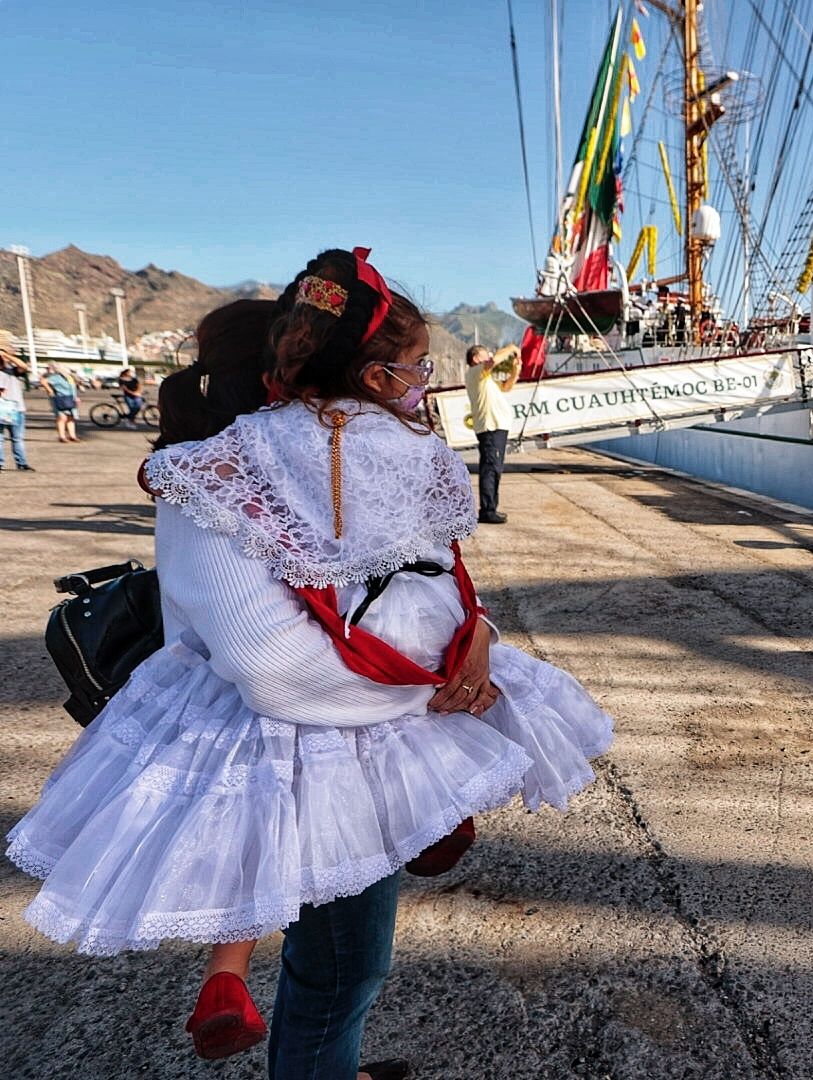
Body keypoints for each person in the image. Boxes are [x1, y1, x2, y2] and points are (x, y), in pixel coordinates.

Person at [6, 249, 614, 1078]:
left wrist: (479, 633)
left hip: (333, 723)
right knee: (340, 964)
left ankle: (294, 1036)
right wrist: (435, 692)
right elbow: (269, 667)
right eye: (412, 369)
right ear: (367, 373)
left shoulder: (377, 457)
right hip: (294, 746)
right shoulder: (219, 475)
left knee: (336, 953)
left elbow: (421, 586)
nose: (420, 387)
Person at [465, 343, 518, 524]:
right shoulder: (476, 372)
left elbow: (506, 386)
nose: (488, 356)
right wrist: (511, 348)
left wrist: (515, 370)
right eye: (484, 354)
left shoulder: (485, 378)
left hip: (497, 427)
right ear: (475, 359)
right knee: (490, 468)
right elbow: (494, 360)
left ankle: (491, 507)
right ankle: (487, 510)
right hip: (490, 427)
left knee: (495, 468)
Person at [0, 352, 30, 470]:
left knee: (15, 438)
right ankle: (7, 463)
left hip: (15, 409)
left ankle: (21, 462)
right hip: (11, 408)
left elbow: (23, 366)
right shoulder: (12, 372)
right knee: (10, 438)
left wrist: (7, 356)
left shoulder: (12, 371)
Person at [43, 364, 80, 442]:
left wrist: (76, 397)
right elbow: (43, 381)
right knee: (62, 418)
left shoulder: (70, 378)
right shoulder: (56, 377)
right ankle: (62, 436)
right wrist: (50, 390)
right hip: (60, 398)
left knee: (71, 417)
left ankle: (72, 436)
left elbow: (73, 388)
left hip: (71, 399)